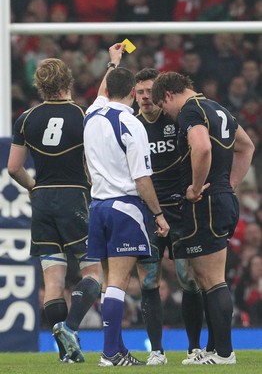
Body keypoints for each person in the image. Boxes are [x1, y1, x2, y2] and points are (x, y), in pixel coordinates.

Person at [152, 71, 255, 364]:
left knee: (211, 280)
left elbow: (202, 147)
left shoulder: (189, 111)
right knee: (206, 277)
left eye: (164, 106)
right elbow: (247, 146)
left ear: (169, 95)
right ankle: (212, 350)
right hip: (223, 198)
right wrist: (230, 183)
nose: (168, 115)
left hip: (206, 201)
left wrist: (196, 188)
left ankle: (224, 353)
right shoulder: (218, 109)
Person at [7, 58, 102, 363]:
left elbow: (13, 168)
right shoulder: (82, 116)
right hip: (75, 197)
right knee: (92, 272)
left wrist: (32, 185)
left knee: (53, 282)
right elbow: (91, 164)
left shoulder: (25, 119)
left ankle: (67, 355)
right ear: (67, 82)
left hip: (43, 201)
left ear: (40, 84)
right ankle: (71, 328)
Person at [83, 43, 169, 367]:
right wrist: (158, 215)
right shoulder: (132, 124)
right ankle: (108, 354)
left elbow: (105, 89)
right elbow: (142, 178)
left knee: (109, 284)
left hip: (98, 207)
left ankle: (116, 350)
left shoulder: (92, 113)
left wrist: (113, 61)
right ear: (134, 91)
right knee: (119, 282)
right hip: (125, 207)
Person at [135, 68, 204, 365]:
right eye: (140, 92)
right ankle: (157, 352)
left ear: (161, 93)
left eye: (150, 91)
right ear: (134, 94)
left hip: (180, 209)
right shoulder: (131, 125)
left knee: (189, 279)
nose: (146, 97)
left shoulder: (176, 119)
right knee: (149, 281)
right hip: (147, 212)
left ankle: (194, 348)